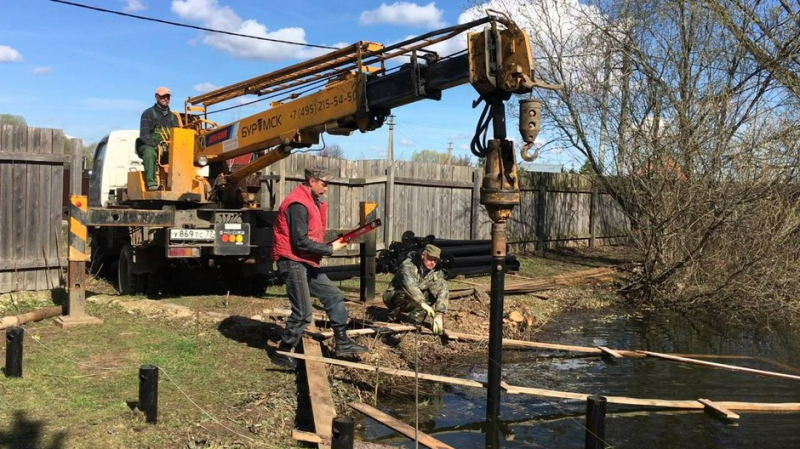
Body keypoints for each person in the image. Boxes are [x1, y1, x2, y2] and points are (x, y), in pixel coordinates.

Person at [270, 166, 368, 370]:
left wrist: (325, 248)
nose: (326, 189)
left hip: (305, 259)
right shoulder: (297, 204)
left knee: (333, 296)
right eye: (324, 184)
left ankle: (342, 342)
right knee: (304, 313)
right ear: (312, 181)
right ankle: (283, 350)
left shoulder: (311, 202)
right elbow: (299, 242)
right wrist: (328, 249)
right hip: (292, 260)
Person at [383, 244, 449, 335]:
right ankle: (392, 318)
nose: (433, 262)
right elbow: (409, 286)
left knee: (433, 292)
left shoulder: (436, 272)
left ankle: (415, 320)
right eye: (430, 258)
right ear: (423, 255)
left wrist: (439, 314)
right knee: (403, 294)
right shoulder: (408, 265)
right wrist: (422, 302)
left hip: (415, 300)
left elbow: (442, 290)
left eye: (435, 260)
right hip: (393, 296)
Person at [137, 86, 178, 191]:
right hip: (148, 145)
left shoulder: (173, 117)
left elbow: (177, 135)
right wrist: (156, 146)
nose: (166, 99)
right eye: (163, 96)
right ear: (156, 97)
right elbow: (144, 134)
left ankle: (177, 183)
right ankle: (151, 183)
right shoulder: (148, 113)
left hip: (167, 146)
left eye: (168, 96)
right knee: (150, 153)